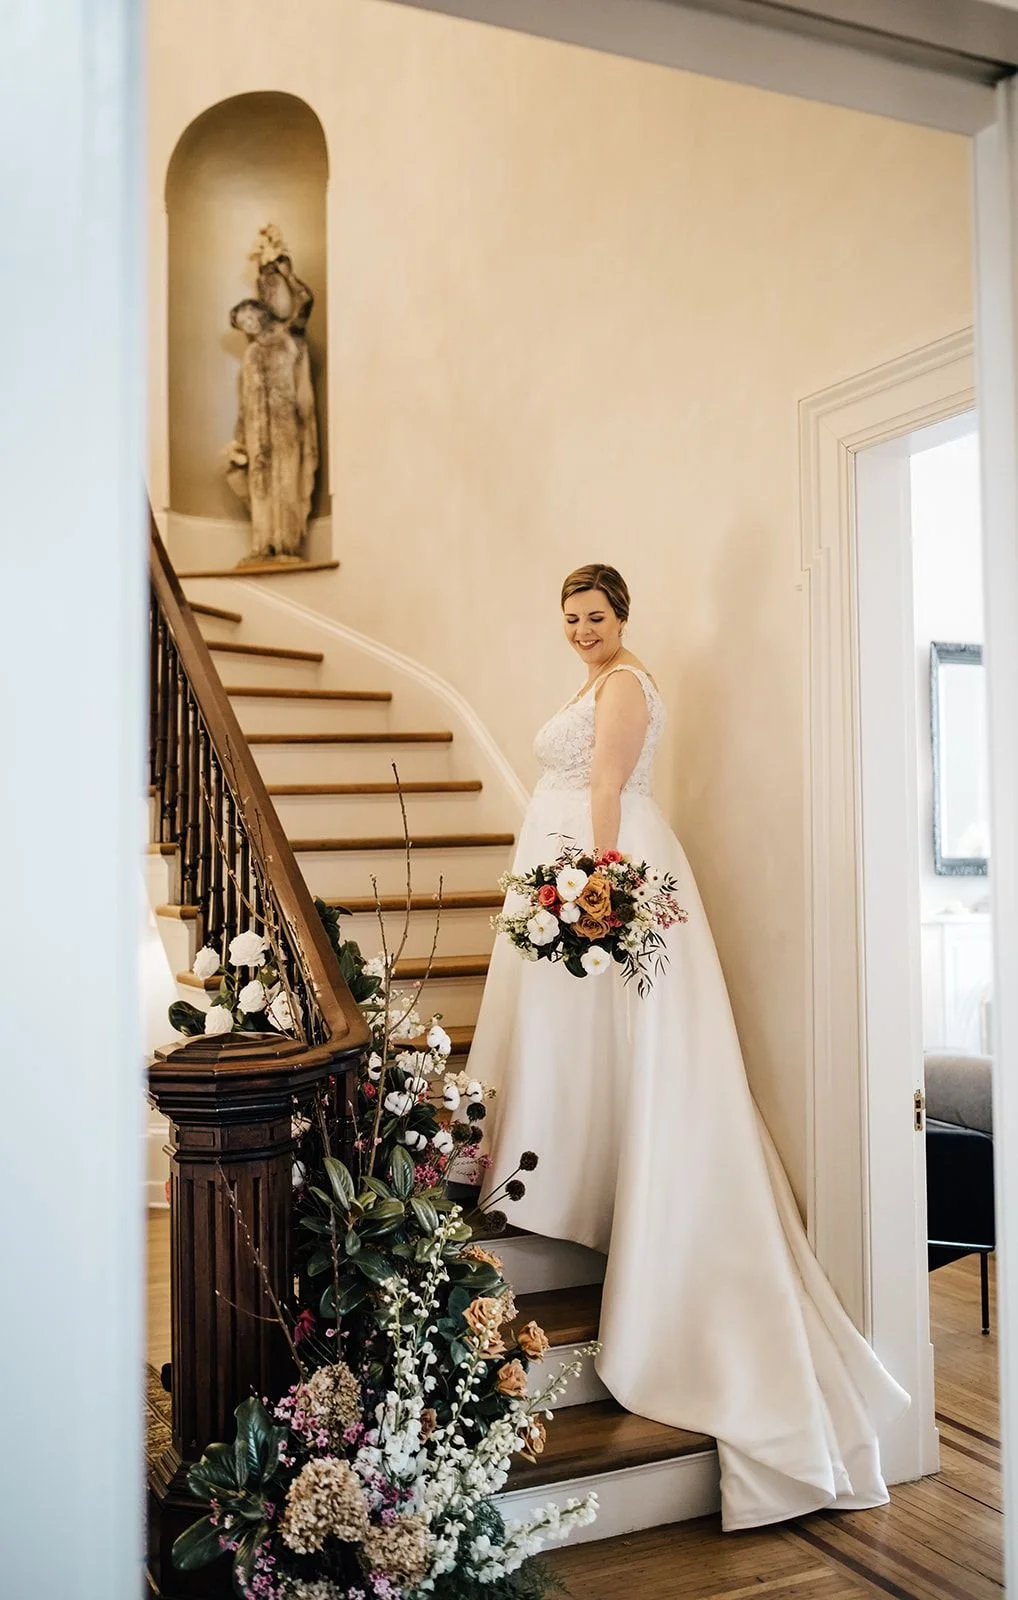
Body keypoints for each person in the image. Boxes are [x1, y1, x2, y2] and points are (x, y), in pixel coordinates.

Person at [469, 562, 909, 1532]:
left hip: (604, 873)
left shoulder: (626, 682)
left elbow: (612, 786)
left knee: (634, 1049)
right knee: (573, 1049)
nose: (582, 628)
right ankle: (565, 1165)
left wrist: (595, 888)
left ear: (622, 617)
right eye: (571, 616)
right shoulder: (593, 678)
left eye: (595, 615)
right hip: (570, 873)